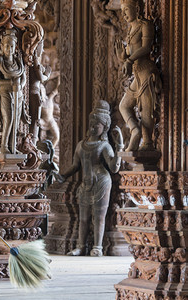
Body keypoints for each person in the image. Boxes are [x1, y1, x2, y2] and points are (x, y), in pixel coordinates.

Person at [56, 100, 123, 256]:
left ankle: (97, 247)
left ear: (104, 127)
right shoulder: (81, 145)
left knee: (99, 217)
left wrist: (119, 147)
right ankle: (81, 246)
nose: (93, 127)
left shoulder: (104, 146)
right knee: (83, 218)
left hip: (102, 182)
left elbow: (114, 167)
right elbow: (75, 166)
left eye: (97, 125)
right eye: (91, 124)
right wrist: (63, 175)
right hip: (85, 184)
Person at [115, 0, 161, 151]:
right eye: (122, 11)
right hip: (136, 74)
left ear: (136, 8)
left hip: (146, 71)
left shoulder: (144, 25)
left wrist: (129, 60)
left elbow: (146, 47)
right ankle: (135, 131)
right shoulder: (130, 30)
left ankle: (147, 144)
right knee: (124, 106)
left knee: (146, 111)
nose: (124, 14)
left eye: (126, 10)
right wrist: (122, 55)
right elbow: (130, 52)